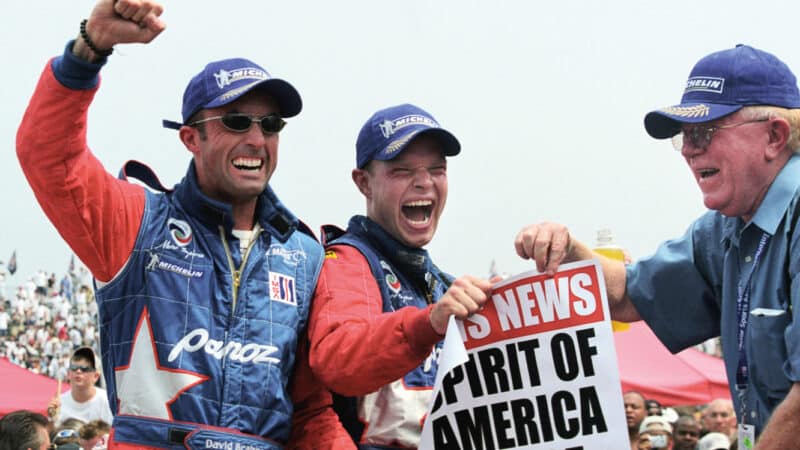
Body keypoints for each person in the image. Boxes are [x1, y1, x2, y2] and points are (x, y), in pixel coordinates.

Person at [16, 1, 351, 448]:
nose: (257, 139)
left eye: (270, 124)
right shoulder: (138, 222)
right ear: (191, 138)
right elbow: (49, 158)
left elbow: (311, 411)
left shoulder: (305, 256)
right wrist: (88, 51)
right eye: (237, 121)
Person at [514, 43, 800, 448]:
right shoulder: (724, 230)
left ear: (775, 136)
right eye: (684, 135)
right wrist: (568, 248)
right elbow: (630, 295)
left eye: (704, 131)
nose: (688, 149)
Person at [307, 103, 494, 448]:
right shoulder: (348, 261)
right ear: (364, 183)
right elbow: (338, 358)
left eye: (437, 169)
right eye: (402, 171)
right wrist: (430, 323)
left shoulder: (441, 284)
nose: (424, 182)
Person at [47, 347, 112, 426]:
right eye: (74, 368)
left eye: (85, 369)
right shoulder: (59, 402)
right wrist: (51, 420)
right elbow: (52, 435)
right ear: (68, 374)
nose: (78, 371)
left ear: (96, 376)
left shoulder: (107, 401)